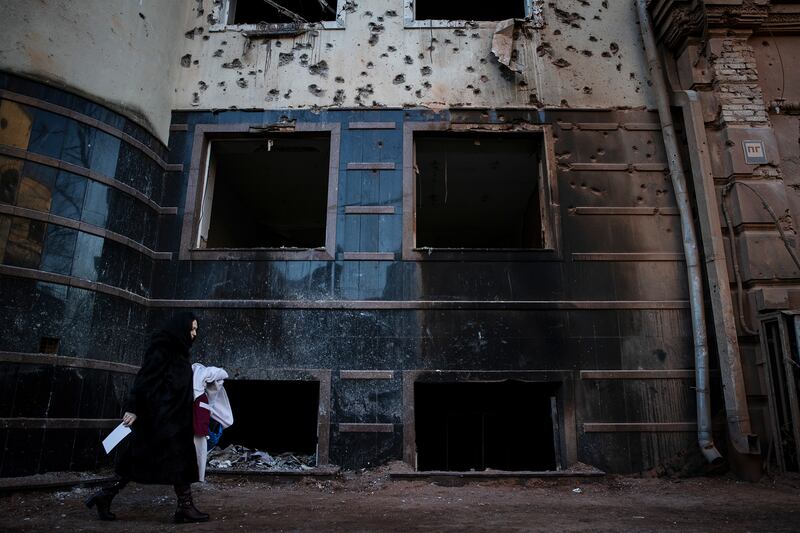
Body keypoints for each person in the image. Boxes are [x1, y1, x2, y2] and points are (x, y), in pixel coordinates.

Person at [86, 311, 209, 523]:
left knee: (146, 461)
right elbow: (146, 378)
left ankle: (106, 495)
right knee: (156, 460)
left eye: (196, 329)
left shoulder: (179, 352)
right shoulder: (162, 349)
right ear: (180, 327)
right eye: (192, 328)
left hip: (173, 418)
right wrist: (133, 408)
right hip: (160, 419)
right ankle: (184, 507)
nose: (194, 333)